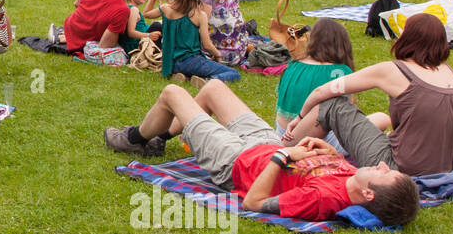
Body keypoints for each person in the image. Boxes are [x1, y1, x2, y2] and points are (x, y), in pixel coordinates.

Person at [104, 81, 420, 226]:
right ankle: (159, 138)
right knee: (213, 88)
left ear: (367, 194)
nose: (381, 164)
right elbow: (327, 166)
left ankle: (136, 138)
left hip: (236, 162)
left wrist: (285, 158)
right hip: (266, 142)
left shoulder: (322, 200)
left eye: (384, 173)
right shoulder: (354, 178)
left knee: (173, 92)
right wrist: (325, 151)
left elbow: (253, 202)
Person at [285, 14, 453, 178]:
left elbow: (322, 91)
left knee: (331, 104)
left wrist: (300, 117)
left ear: (407, 38)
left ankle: (282, 153)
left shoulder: (394, 70)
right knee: (383, 121)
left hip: (400, 169)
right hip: (451, 166)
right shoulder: (449, 73)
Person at [144, 0, 241, 83]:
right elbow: (207, 45)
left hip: (170, 62)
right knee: (234, 73)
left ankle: (184, 77)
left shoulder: (166, 8)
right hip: (191, 61)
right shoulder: (199, 15)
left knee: (194, 66)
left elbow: (146, 13)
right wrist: (217, 54)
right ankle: (207, 80)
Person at [273, 18, 353, 150]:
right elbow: (345, 117)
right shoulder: (339, 72)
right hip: (316, 143)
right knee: (380, 120)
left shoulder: (293, 66)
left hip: (282, 134)